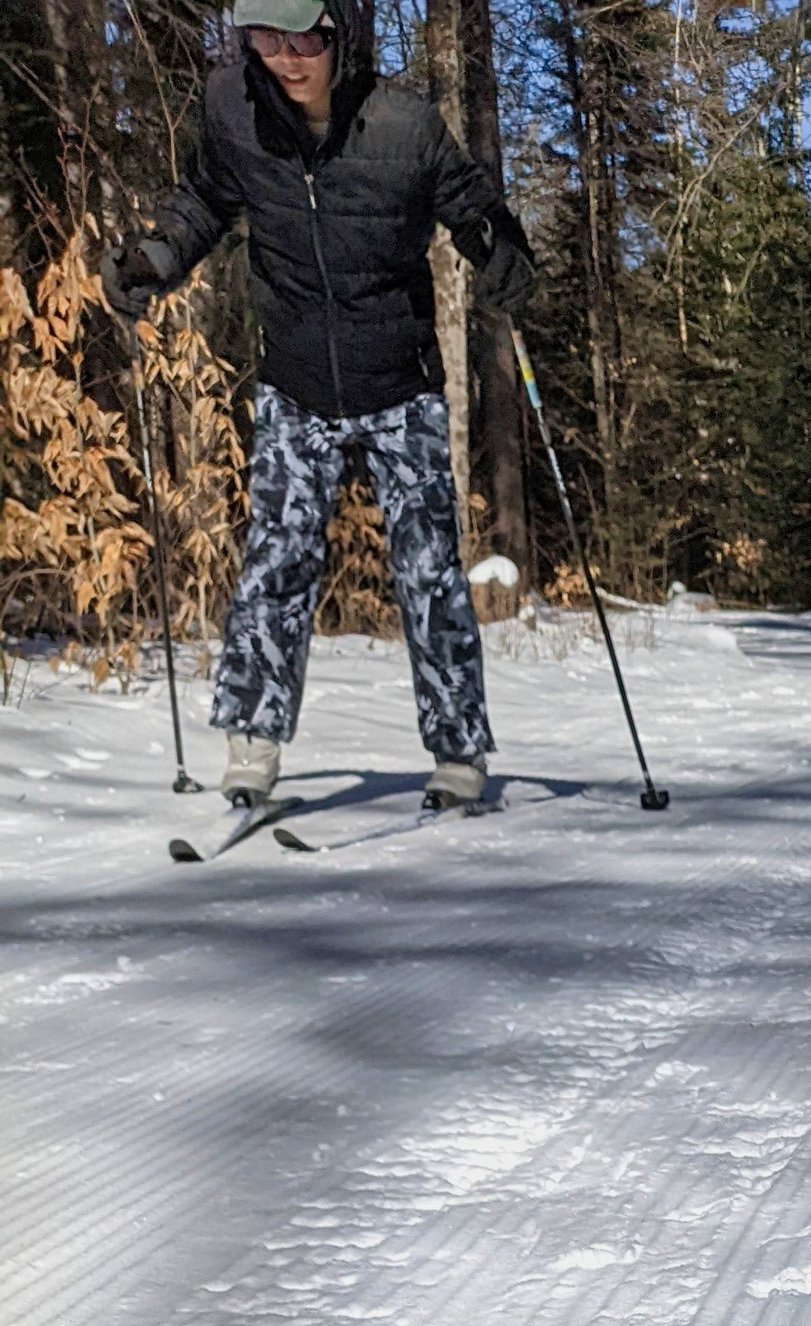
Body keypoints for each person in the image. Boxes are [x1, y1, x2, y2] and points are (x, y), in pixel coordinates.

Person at [103, 0, 533, 813]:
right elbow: (202, 202)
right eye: (268, 39)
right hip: (295, 382)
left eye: (306, 38)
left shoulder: (402, 126)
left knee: (429, 572)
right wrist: (155, 256)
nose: (289, 58)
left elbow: (472, 206)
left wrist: (502, 252)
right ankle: (252, 750)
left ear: (341, 34)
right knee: (276, 565)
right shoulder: (235, 111)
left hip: (399, 384)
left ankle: (458, 754)